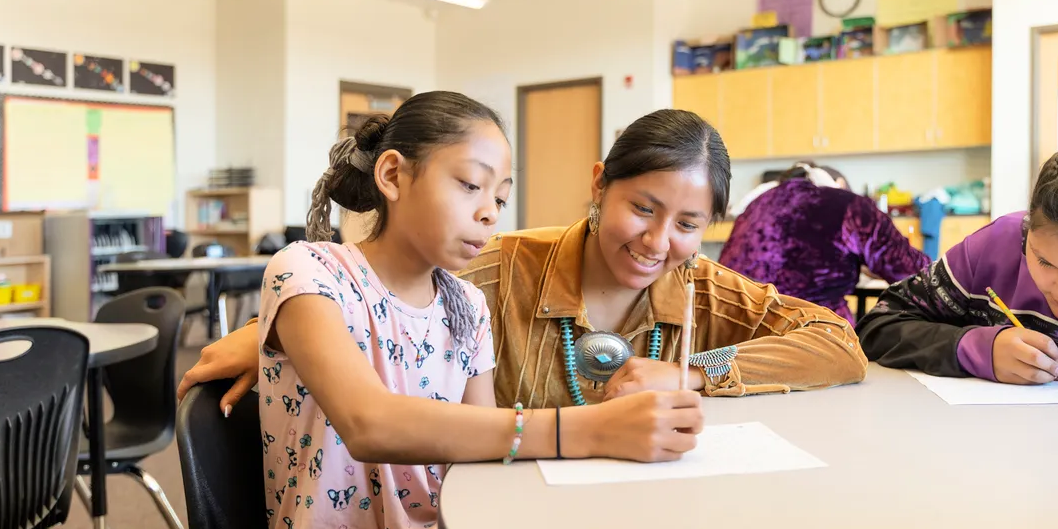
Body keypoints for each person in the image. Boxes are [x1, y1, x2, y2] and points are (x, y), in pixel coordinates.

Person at [253, 92, 705, 529]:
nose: (490, 211)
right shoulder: (308, 269)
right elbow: (369, 422)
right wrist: (587, 430)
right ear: (393, 175)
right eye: (471, 185)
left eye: (500, 196)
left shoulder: (466, 306)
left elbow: (485, 453)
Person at [179, 110, 867, 415]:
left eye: (689, 223)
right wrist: (271, 332)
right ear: (599, 185)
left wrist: (694, 370)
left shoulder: (698, 286)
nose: (659, 240)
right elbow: (366, 285)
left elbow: (838, 343)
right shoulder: (502, 265)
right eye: (643, 208)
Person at [857, 135, 1058, 397]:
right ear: (1028, 228)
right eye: (1044, 261)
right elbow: (878, 326)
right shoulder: (995, 246)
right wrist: (977, 349)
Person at [718, 162, 931, 325]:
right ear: (839, 186)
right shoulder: (850, 205)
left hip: (738, 334)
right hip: (816, 335)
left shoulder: (757, 205)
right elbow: (917, 272)